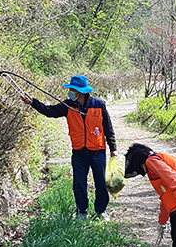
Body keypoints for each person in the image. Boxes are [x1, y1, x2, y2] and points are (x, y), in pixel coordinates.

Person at [21, 75, 117, 221]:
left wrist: (113, 148)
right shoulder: (67, 106)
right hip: (79, 152)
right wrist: (33, 102)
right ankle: (81, 212)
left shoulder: (99, 105)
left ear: (81, 91)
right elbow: (49, 111)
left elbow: (108, 128)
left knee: (101, 183)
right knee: (79, 183)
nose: (70, 92)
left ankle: (101, 211)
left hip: (98, 151)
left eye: (72, 89)